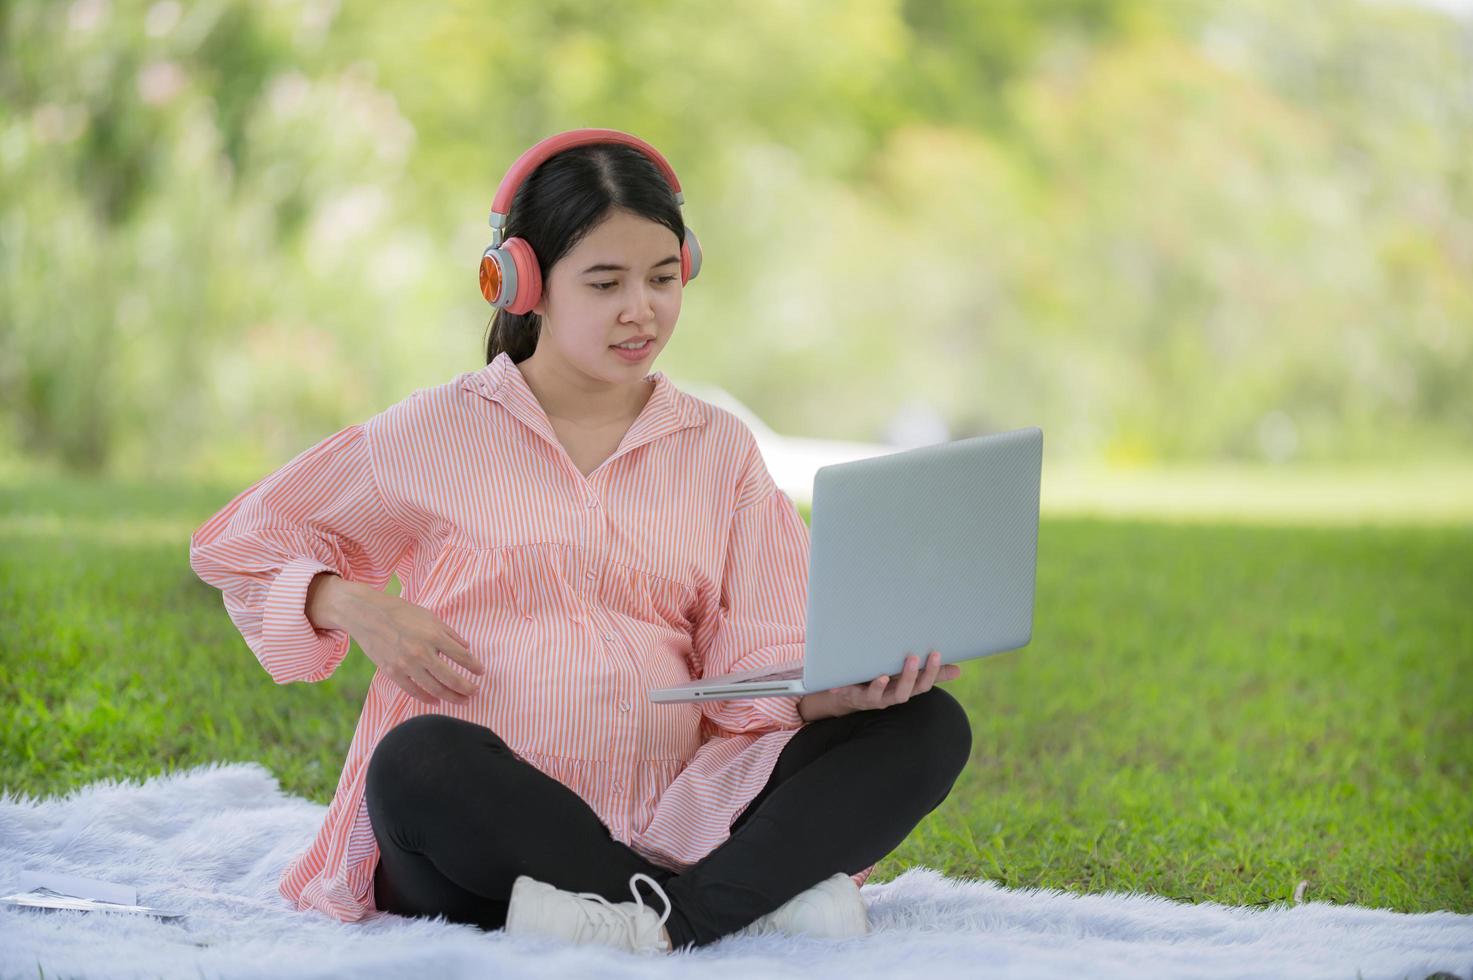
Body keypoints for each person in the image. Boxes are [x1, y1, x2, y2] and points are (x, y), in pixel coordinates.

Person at [188, 129, 973, 955]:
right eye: (605, 283)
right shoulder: (434, 431)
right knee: (417, 761)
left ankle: (662, 919)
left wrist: (832, 697)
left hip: (680, 816)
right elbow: (238, 545)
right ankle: (729, 906)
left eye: (663, 278)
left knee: (926, 727)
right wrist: (351, 605)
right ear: (523, 284)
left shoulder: (718, 450)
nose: (642, 310)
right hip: (481, 840)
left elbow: (756, 670)